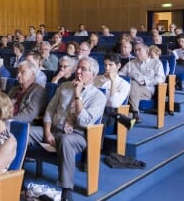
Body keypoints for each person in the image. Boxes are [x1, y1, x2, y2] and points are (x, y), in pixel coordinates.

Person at [29, 57, 106, 201]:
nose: (78, 71)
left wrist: (77, 95)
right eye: (78, 68)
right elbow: (50, 111)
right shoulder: (64, 87)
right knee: (24, 132)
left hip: (77, 135)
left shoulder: (98, 97)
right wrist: (46, 131)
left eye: (83, 69)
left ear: (93, 74)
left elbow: (83, 122)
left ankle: (66, 190)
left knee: (65, 140)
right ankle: (12, 174)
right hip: (53, 130)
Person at [119, 43, 165, 123]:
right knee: (131, 83)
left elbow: (161, 78)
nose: (136, 52)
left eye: (139, 50)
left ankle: (133, 112)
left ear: (147, 51)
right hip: (132, 90)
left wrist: (145, 82)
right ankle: (134, 113)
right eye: (135, 50)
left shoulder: (156, 63)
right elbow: (120, 75)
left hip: (147, 90)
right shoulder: (131, 63)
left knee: (132, 83)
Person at [93, 54, 133, 130]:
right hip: (92, 109)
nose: (107, 68)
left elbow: (114, 104)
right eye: (105, 65)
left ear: (118, 66)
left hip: (107, 116)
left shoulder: (124, 84)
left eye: (110, 65)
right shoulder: (95, 79)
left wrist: (113, 81)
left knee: (106, 111)